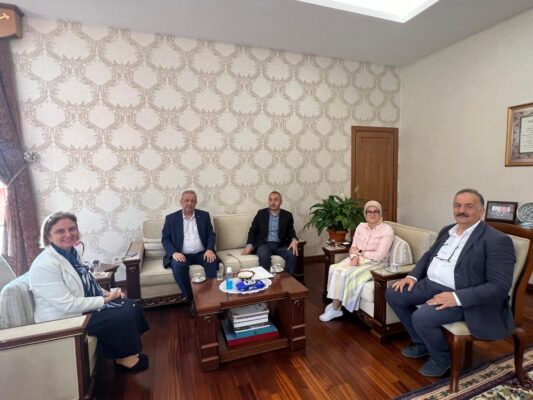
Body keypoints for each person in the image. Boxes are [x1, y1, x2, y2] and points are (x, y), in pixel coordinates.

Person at [386, 189, 516, 377]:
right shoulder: (447, 230)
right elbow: (429, 255)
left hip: (464, 294)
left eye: (468, 206)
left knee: (422, 317)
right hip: (431, 284)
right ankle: (422, 343)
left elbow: (499, 286)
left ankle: (442, 358)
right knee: (393, 294)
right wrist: (412, 276)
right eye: (457, 205)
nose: (461, 210)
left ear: (481, 211)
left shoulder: (497, 240)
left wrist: (456, 297)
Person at [29, 212, 150, 372]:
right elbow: (67, 305)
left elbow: (86, 282)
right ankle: (122, 358)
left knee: (130, 305)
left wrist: (105, 293)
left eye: (72, 229)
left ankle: (127, 351)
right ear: (48, 236)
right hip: (64, 318)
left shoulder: (72, 253)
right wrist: (106, 300)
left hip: (79, 307)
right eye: (60, 231)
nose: (68, 234)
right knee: (122, 314)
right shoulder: (44, 265)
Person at [319, 200, 394, 322]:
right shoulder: (361, 226)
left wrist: (360, 252)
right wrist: (354, 257)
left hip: (376, 264)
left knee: (346, 273)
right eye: (369, 211)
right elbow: (353, 247)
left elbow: (379, 255)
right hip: (358, 258)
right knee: (335, 268)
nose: (372, 214)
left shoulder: (387, 230)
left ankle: (335, 308)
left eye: (375, 211)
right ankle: (335, 305)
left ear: (380, 213)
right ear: (365, 214)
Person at [162, 190, 218, 302]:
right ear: (181, 202)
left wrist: (209, 249)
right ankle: (192, 299)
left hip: (202, 253)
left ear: (196, 203)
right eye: (186, 200)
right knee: (178, 267)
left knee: (212, 261)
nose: (189, 203)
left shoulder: (204, 216)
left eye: (192, 201)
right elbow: (165, 238)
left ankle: (211, 296)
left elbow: (211, 235)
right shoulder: (171, 218)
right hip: (181, 254)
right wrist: (174, 253)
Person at [241, 191, 299, 275]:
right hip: (264, 244)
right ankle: (267, 279)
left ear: (281, 202)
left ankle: (288, 279)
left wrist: (294, 239)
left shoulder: (287, 215)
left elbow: (291, 231)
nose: (273, 202)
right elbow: (253, 230)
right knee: (263, 255)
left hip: (281, 245)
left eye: (276, 200)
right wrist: (249, 245)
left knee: (292, 255)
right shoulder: (261, 213)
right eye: (270, 199)